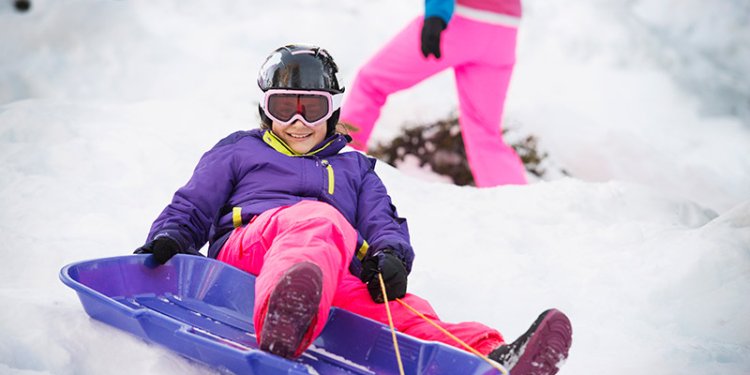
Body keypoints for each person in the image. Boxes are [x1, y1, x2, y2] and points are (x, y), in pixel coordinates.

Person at [135, 44, 572, 374]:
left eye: (313, 108)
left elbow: (383, 220)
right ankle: (280, 321)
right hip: (251, 251)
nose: (298, 122)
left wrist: (390, 257)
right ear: (266, 110)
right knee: (317, 219)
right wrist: (170, 237)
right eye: (285, 108)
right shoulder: (240, 151)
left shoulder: (356, 169)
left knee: (406, 313)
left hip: (320, 276)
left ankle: (494, 357)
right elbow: (193, 204)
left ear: (333, 111)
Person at [340, 0, 527, 187]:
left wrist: (437, 14)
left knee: (370, 83)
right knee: (485, 132)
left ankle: (338, 168)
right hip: (505, 28)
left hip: (456, 19)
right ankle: (517, 204)